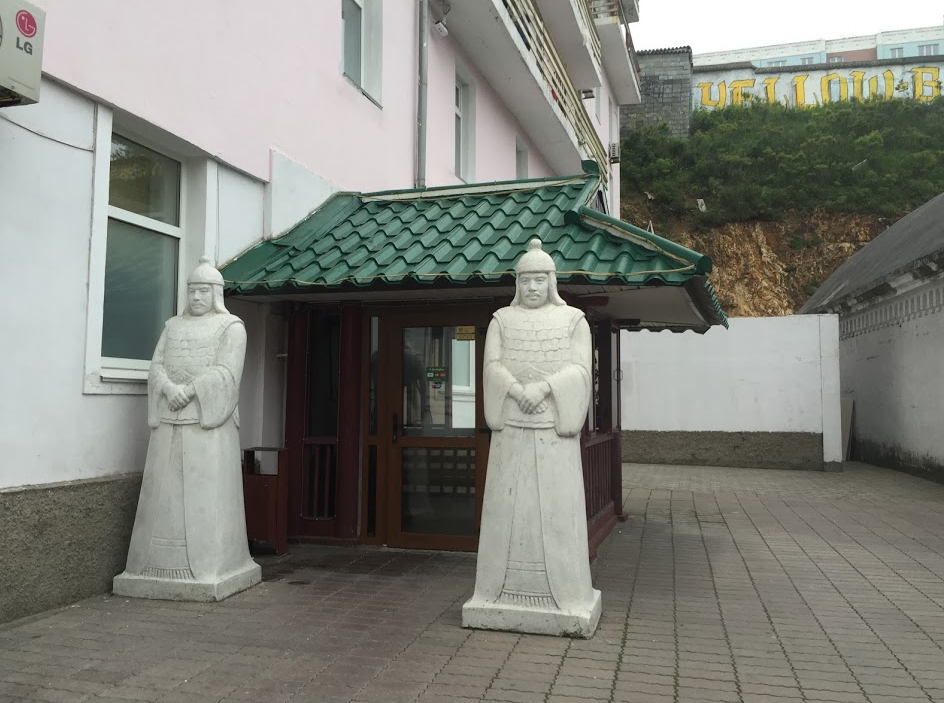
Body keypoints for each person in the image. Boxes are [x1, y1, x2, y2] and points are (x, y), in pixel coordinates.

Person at [462, 239, 601, 637]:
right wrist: (514, 388)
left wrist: (545, 388)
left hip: (553, 433)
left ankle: (565, 593)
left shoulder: (574, 321)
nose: (532, 287)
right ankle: (496, 591)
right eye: (525, 280)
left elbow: (580, 371)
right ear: (516, 283)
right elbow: (491, 366)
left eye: (540, 280)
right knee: (506, 509)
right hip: (511, 430)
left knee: (558, 510)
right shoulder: (501, 321)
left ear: (552, 282)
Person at [113, 257, 261, 601]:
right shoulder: (172, 326)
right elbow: (156, 367)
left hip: (206, 420)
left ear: (216, 294)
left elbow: (227, 374)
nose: (196, 297)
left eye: (203, 291)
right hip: (169, 418)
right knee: (161, 493)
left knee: (204, 497)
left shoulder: (231, 328)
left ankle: (210, 566)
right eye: (192, 290)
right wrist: (168, 389)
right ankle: (148, 566)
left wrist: (191, 391)